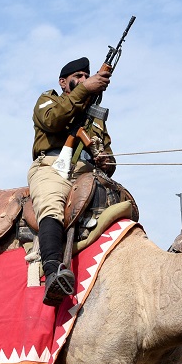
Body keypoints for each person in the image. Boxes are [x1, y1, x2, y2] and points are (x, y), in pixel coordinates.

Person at [28, 57, 114, 306]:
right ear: (63, 82)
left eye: (88, 76)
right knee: (51, 204)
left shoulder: (95, 118)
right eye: (79, 76)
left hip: (89, 173)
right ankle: (53, 271)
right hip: (53, 166)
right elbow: (53, 119)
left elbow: (108, 153)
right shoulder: (48, 99)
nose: (84, 80)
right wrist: (84, 91)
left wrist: (107, 161)